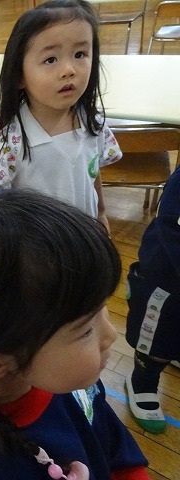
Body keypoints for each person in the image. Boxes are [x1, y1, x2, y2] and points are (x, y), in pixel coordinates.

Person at [0, 188, 149, 480]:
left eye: (102, 308)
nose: (110, 335)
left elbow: (103, 432)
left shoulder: (55, 372)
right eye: (85, 330)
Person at [0, 0, 121, 233]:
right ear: (19, 75)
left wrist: (101, 211)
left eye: (80, 54)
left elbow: (91, 173)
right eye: (51, 59)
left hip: (86, 235)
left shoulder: (93, 123)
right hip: (41, 247)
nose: (69, 70)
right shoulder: (11, 141)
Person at [124, 166, 180, 434]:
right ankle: (142, 382)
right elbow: (171, 227)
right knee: (156, 335)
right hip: (168, 275)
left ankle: (173, 353)